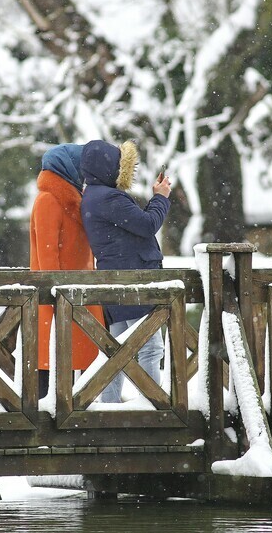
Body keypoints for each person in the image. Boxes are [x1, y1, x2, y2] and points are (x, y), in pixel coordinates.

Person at [80, 140, 172, 403]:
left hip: (116, 280)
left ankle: (110, 406)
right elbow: (147, 224)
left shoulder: (92, 196)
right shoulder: (109, 197)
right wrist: (160, 198)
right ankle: (153, 405)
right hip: (134, 281)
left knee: (116, 349)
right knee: (151, 348)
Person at [29, 144, 106, 399]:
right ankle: (48, 425)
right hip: (58, 299)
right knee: (50, 366)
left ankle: (81, 418)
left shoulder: (75, 198)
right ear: (68, 167)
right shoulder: (48, 200)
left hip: (80, 295)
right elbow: (47, 256)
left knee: (88, 365)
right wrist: (56, 297)